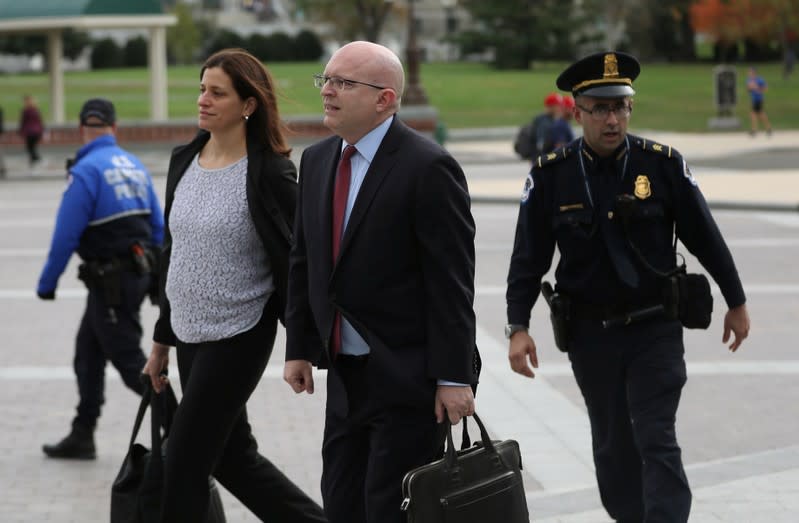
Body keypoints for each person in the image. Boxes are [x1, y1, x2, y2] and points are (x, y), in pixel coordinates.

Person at [505, 51, 750, 522]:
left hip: (655, 328)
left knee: (655, 437)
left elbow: (706, 236)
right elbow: (527, 259)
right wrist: (519, 326)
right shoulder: (551, 175)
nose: (612, 118)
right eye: (599, 108)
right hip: (591, 336)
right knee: (613, 446)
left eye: (620, 107)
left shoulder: (661, 166)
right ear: (577, 112)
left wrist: (736, 301)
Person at [283, 41, 480, 523]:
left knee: (389, 509)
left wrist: (454, 377)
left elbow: (451, 282)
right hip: (344, 379)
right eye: (325, 79)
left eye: (343, 83)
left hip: (407, 377)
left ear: (385, 99)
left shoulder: (427, 167)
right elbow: (304, 260)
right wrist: (299, 345)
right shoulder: (317, 160)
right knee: (342, 502)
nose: (327, 91)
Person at [142, 48, 327, 523]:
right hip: (188, 332)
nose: (203, 100)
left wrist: (301, 345)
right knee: (232, 457)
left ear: (248, 104)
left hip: (240, 333)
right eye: (202, 89)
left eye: (217, 92)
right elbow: (174, 255)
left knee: (182, 461)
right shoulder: (185, 158)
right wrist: (162, 338)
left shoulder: (271, 172)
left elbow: (298, 264)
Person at [37, 98, 164, 459]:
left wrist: (48, 283)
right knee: (88, 355)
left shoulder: (86, 170)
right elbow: (158, 225)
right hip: (133, 277)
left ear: (82, 130)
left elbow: (66, 234)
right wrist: (156, 275)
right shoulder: (134, 165)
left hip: (111, 283)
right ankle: (83, 433)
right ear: (114, 128)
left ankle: (184, 427)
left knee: (129, 362)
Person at [19, 94, 44, 166]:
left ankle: (36, 159)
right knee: (32, 147)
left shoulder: (25, 111)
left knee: (30, 147)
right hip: (37, 131)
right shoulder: (36, 110)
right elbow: (40, 121)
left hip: (29, 131)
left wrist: (21, 131)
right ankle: (33, 160)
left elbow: (23, 122)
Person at [747, 67, 772, 136]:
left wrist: (759, 89)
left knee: (755, 114)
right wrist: (750, 88)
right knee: (759, 114)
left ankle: (755, 130)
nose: (749, 73)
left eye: (750, 72)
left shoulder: (759, 79)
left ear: (754, 73)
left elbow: (765, 87)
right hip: (753, 99)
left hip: (759, 99)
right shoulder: (749, 80)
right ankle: (767, 129)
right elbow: (749, 89)